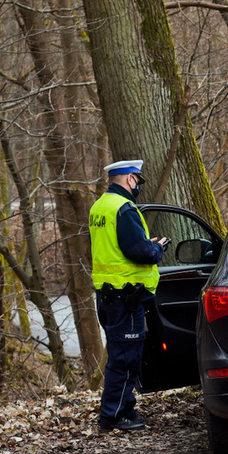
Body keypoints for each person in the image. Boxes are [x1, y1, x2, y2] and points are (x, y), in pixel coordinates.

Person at [89, 160, 168, 432]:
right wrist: (157, 249)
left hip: (107, 295)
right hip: (126, 297)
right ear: (130, 179)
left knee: (118, 355)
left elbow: (112, 248)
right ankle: (116, 415)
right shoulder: (123, 208)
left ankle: (117, 411)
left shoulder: (100, 206)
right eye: (138, 180)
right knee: (126, 358)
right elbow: (138, 251)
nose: (138, 187)